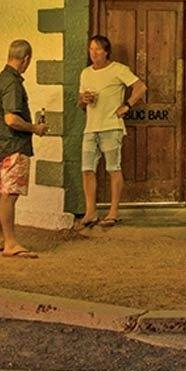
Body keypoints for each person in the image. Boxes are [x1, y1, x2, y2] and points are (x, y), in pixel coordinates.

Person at [76, 35, 144, 228]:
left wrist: (127, 106)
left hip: (111, 126)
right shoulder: (85, 73)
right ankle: (91, 212)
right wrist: (84, 100)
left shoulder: (118, 69)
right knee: (87, 170)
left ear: (106, 51)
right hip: (90, 128)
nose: (94, 53)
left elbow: (140, 87)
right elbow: (80, 102)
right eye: (91, 49)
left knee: (113, 168)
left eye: (98, 49)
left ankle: (113, 211)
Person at [0, 38, 48, 258]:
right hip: (14, 145)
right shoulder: (13, 83)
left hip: (0, 145)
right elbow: (11, 119)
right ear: (26, 59)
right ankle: (10, 242)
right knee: (9, 195)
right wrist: (34, 128)